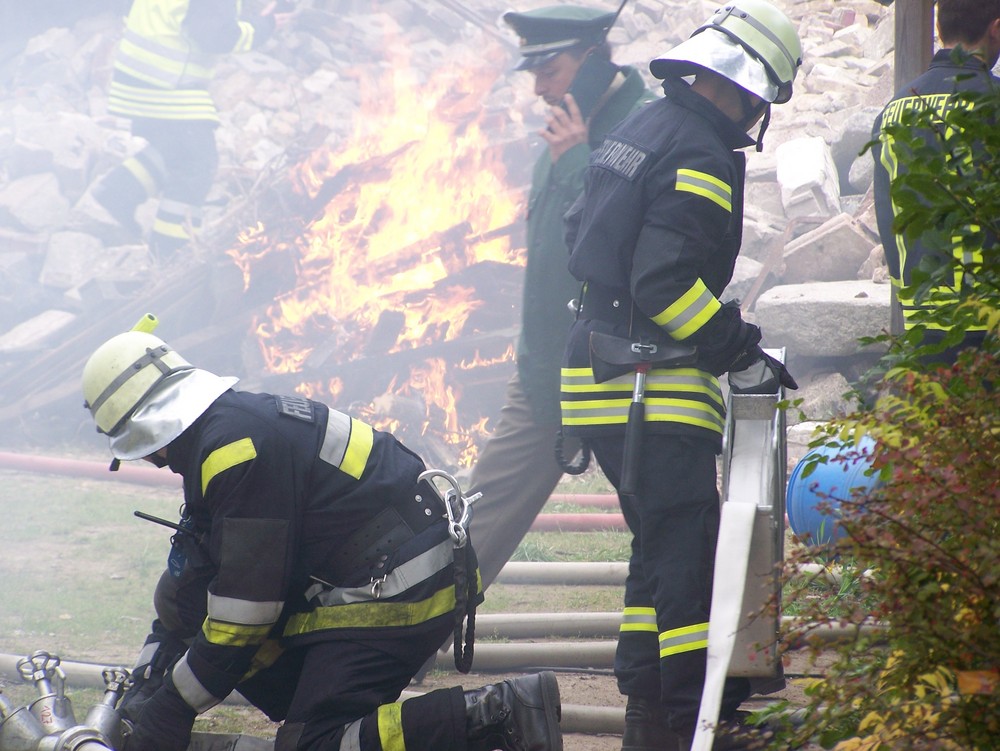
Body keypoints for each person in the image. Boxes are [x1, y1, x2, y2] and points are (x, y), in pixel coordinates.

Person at [80, 320, 563, 751]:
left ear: (152, 435)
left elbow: (244, 615)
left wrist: (174, 706)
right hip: (372, 575)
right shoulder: (223, 433)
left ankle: (497, 712)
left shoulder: (234, 451)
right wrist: (149, 679)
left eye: (141, 451)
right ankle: (320, 701)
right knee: (198, 614)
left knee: (315, 743)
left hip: (400, 586)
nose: (150, 461)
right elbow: (189, 588)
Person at [557, 1, 802, 749]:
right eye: (760, 98)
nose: (756, 114)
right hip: (652, 391)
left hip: (598, 383)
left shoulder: (638, 129)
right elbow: (663, 284)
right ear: (738, 86)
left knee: (653, 558)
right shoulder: (697, 151)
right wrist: (737, 347)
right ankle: (691, 722)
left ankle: (644, 715)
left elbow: (582, 235)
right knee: (687, 563)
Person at [465, 4, 655, 590]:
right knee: (476, 520)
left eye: (550, 70)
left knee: (664, 521)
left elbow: (607, 244)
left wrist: (575, 159)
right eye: (533, 73)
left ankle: (689, 659)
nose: (540, 88)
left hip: (622, 376)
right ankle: (401, 644)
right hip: (546, 371)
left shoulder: (646, 128)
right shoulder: (562, 133)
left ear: (594, 61)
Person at [79, 0, 291, 260]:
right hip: (166, 83)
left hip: (138, 75)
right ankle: (169, 253)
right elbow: (215, 37)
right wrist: (263, 26)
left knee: (177, 148)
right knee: (199, 163)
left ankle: (119, 191)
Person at [871, 0, 999, 363]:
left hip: (922, 323)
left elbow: (887, 216)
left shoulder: (893, 110)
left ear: (939, 29)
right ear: (996, 28)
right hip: (989, 324)